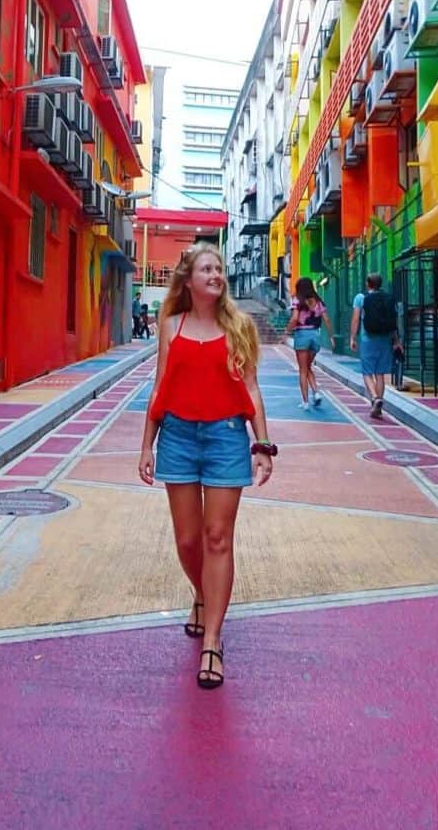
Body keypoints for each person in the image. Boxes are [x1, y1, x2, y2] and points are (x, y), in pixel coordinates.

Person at [137, 242, 275, 690]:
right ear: (189, 279)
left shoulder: (239, 327)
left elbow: (251, 389)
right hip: (177, 436)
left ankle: (212, 638)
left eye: (219, 268)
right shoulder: (171, 325)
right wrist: (146, 445)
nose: (215, 274)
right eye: (207, 268)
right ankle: (202, 594)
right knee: (188, 539)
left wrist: (263, 445)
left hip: (225, 438)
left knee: (218, 538)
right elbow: (160, 386)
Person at [349, 272, 401, 419]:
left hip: (368, 339)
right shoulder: (388, 298)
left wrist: (353, 337)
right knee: (380, 374)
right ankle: (378, 404)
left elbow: (355, 319)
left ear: (367, 283)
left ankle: (374, 398)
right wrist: (396, 341)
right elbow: (394, 322)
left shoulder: (361, 298)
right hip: (385, 339)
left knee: (367, 372)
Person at [286, 277, 335, 410]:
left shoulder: (297, 300)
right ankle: (316, 393)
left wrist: (286, 332)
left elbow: (295, 318)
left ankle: (305, 402)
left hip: (302, 335)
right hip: (315, 336)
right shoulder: (318, 302)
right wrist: (331, 337)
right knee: (308, 367)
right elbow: (327, 319)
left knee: (302, 370)